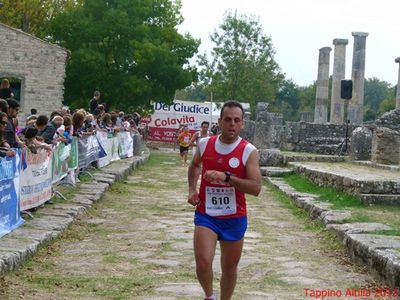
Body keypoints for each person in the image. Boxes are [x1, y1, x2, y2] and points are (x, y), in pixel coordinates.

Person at [187, 101, 262, 300]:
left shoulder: (249, 151)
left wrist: (227, 177)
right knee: (203, 262)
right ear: (219, 121)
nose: (232, 124)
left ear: (242, 124)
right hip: (207, 214)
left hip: (234, 217)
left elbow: (256, 188)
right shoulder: (205, 144)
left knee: (229, 268)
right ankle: (209, 296)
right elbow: (195, 166)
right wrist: (192, 189)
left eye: (237, 120)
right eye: (227, 119)